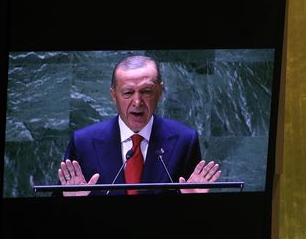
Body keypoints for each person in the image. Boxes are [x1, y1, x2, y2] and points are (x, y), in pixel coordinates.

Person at [57, 55, 222, 196]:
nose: (137, 102)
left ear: (160, 92)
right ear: (113, 95)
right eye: (128, 93)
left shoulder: (184, 140)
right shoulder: (83, 142)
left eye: (146, 91)